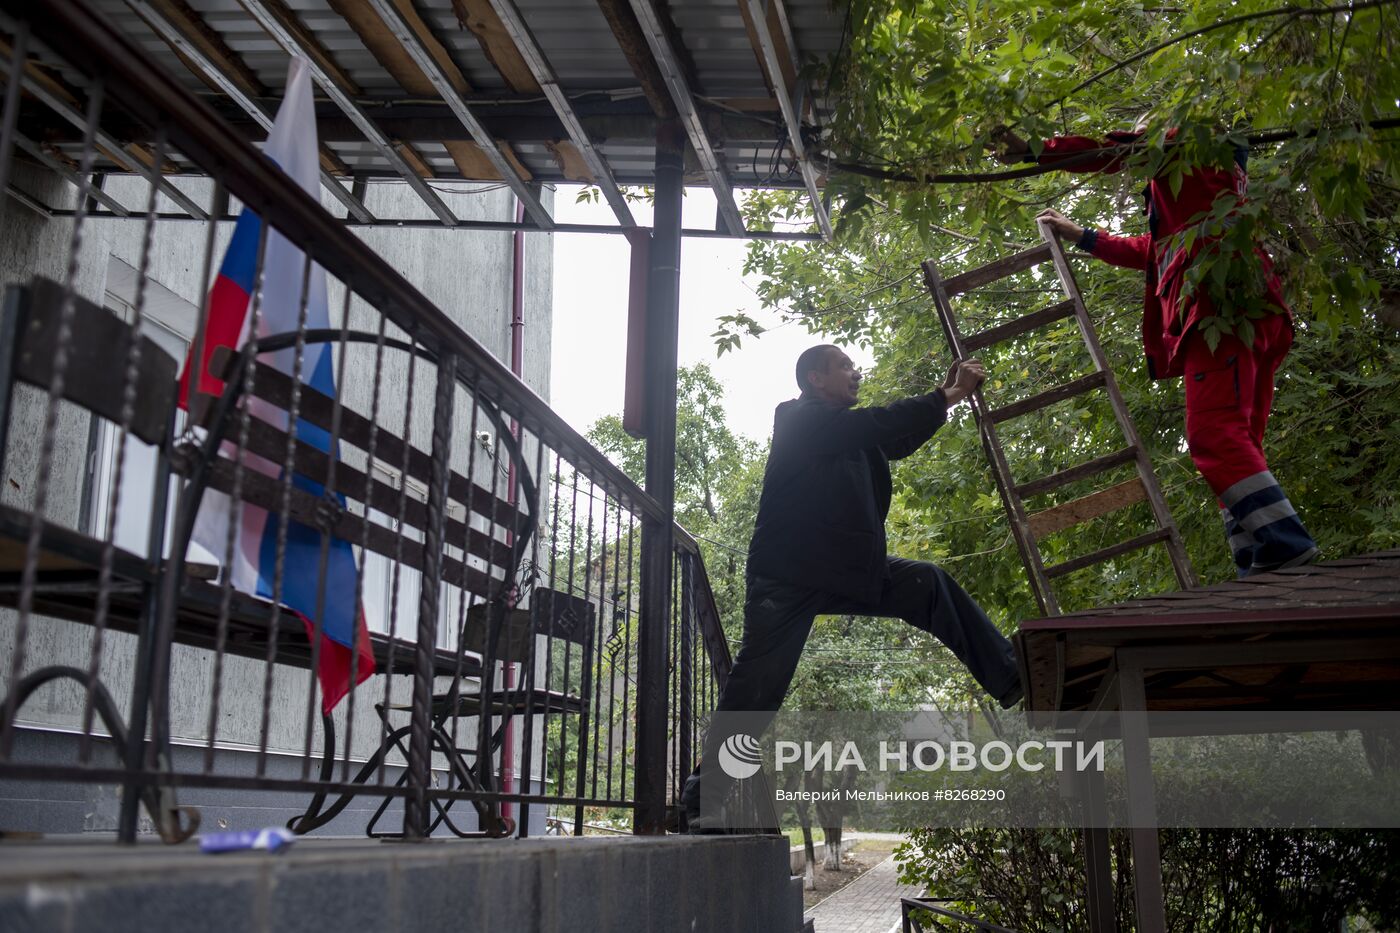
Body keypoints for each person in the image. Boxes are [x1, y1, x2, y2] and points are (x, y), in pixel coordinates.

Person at [680, 345, 1023, 830]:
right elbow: (875, 424)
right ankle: (701, 801)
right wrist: (947, 393)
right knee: (757, 692)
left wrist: (949, 399)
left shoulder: (852, 435)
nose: (855, 372)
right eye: (844, 366)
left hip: (846, 570)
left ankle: (1009, 677)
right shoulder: (798, 418)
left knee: (928, 582)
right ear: (816, 379)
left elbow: (895, 439)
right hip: (787, 578)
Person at [992, 120, 1318, 576]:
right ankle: (1259, 555)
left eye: (1143, 130)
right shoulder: (1202, 196)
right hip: (1248, 308)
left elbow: (1112, 151)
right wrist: (1083, 235)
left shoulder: (1189, 147)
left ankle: (1284, 543)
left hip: (1217, 310)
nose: (1136, 134)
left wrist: (1037, 148)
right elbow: (1152, 249)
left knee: (1212, 436)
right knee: (1239, 443)